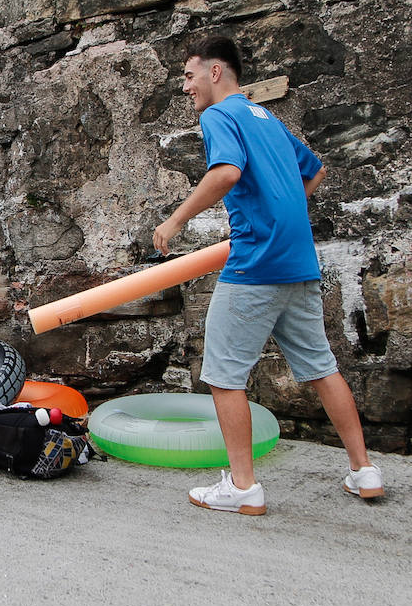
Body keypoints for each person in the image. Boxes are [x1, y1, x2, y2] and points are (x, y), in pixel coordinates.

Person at [153, 34, 382, 515]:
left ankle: (242, 487)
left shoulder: (218, 115)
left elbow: (226, 173)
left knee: (223, 374)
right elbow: (314, 171)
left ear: (216, 72)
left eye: (189, 76)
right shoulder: (268, 118)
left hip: (255, 263)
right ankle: (364, 470)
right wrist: (285, 212)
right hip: (298, 262)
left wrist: (174, 221)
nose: (186, 87)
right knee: (321, 366)